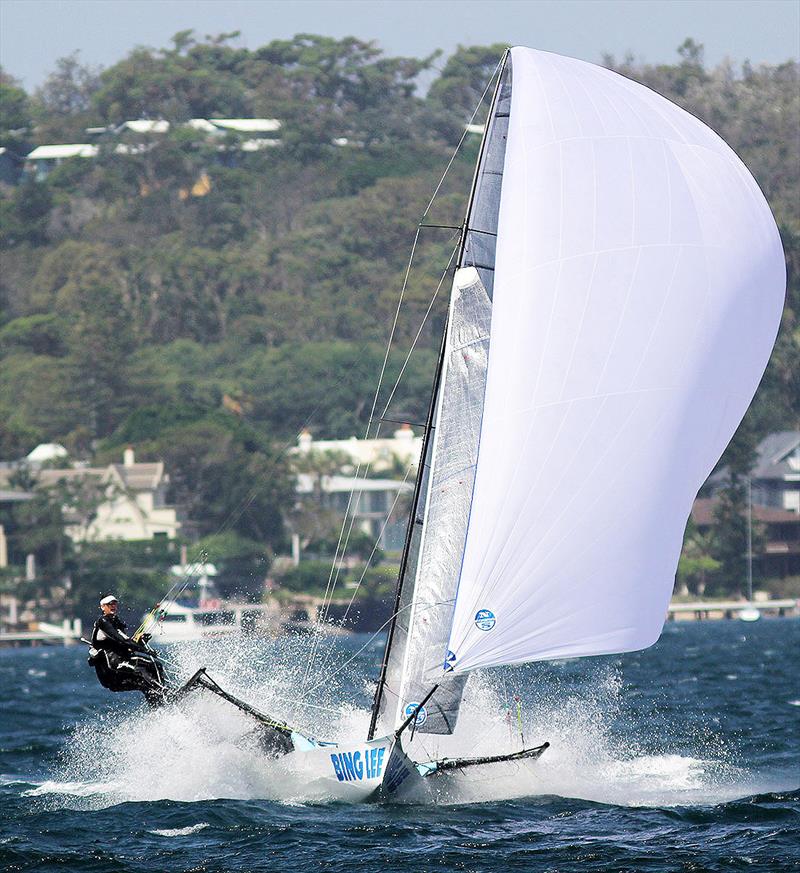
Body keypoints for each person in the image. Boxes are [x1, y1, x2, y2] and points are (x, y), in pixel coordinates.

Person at [88, 595, 165, 704]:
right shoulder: (103, 622)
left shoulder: (115, 622)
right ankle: (163, 692)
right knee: (141, 670)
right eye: (110, 604)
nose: (113, 606)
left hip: (122, 663)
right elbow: (123, 641)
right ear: (102, 607)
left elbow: (126, 642)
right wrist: (145, 650)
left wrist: (140, 642)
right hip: (112, 669)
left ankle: (160, 703)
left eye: (114, 603)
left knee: (155, 667)